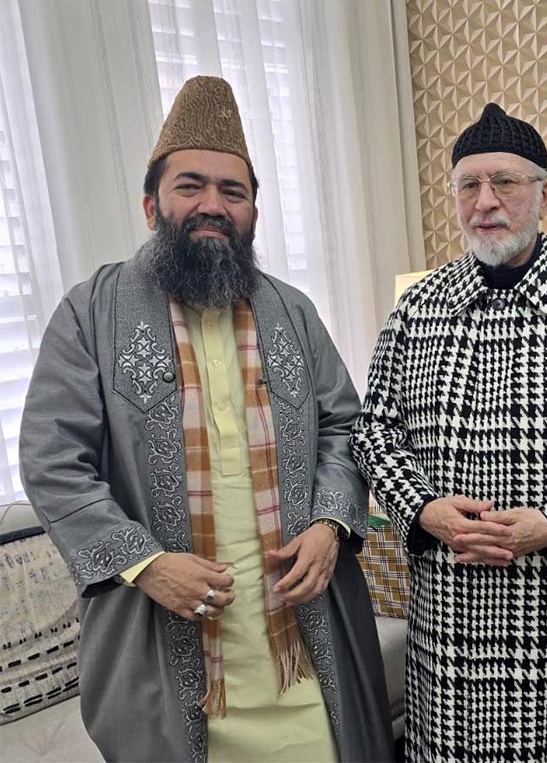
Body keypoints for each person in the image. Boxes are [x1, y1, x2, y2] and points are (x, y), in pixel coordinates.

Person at [19, 76, 392, 762]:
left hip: (302, 647)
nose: (213, 205)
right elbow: (51, 459)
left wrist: (330, 525)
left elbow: (345, 426)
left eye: (233, 191)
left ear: (253, 213)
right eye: (191, 186)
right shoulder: (90, 312)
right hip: (161, 646)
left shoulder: (293, 312)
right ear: (151, 204)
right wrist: (144, 563)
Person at [351, 102, 547, 762]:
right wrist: (424, 509)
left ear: (545, 194)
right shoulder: (418, 310)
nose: (485, 201)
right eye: (468, 185)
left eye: (504, 182)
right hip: (450, 627)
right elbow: (374, 430)